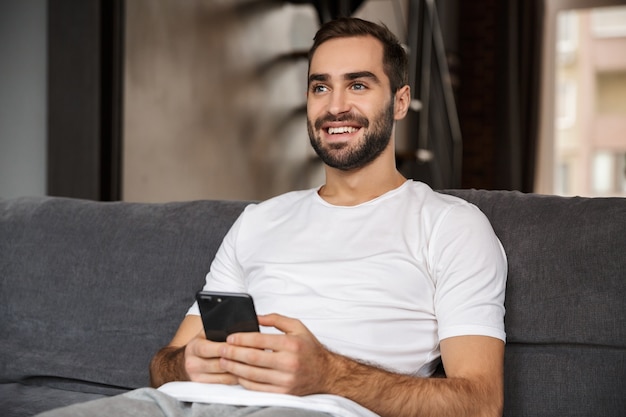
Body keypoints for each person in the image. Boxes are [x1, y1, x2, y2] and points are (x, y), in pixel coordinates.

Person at [38, 17, 506, 417]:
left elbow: (482, 402)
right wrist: (188, 365)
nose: (335, 105)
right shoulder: (259, 220)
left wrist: (328, 374)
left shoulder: (452, 226)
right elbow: (163, 367)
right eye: (320, 86)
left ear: (400, 101)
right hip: (180, 405)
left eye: (358, 85)